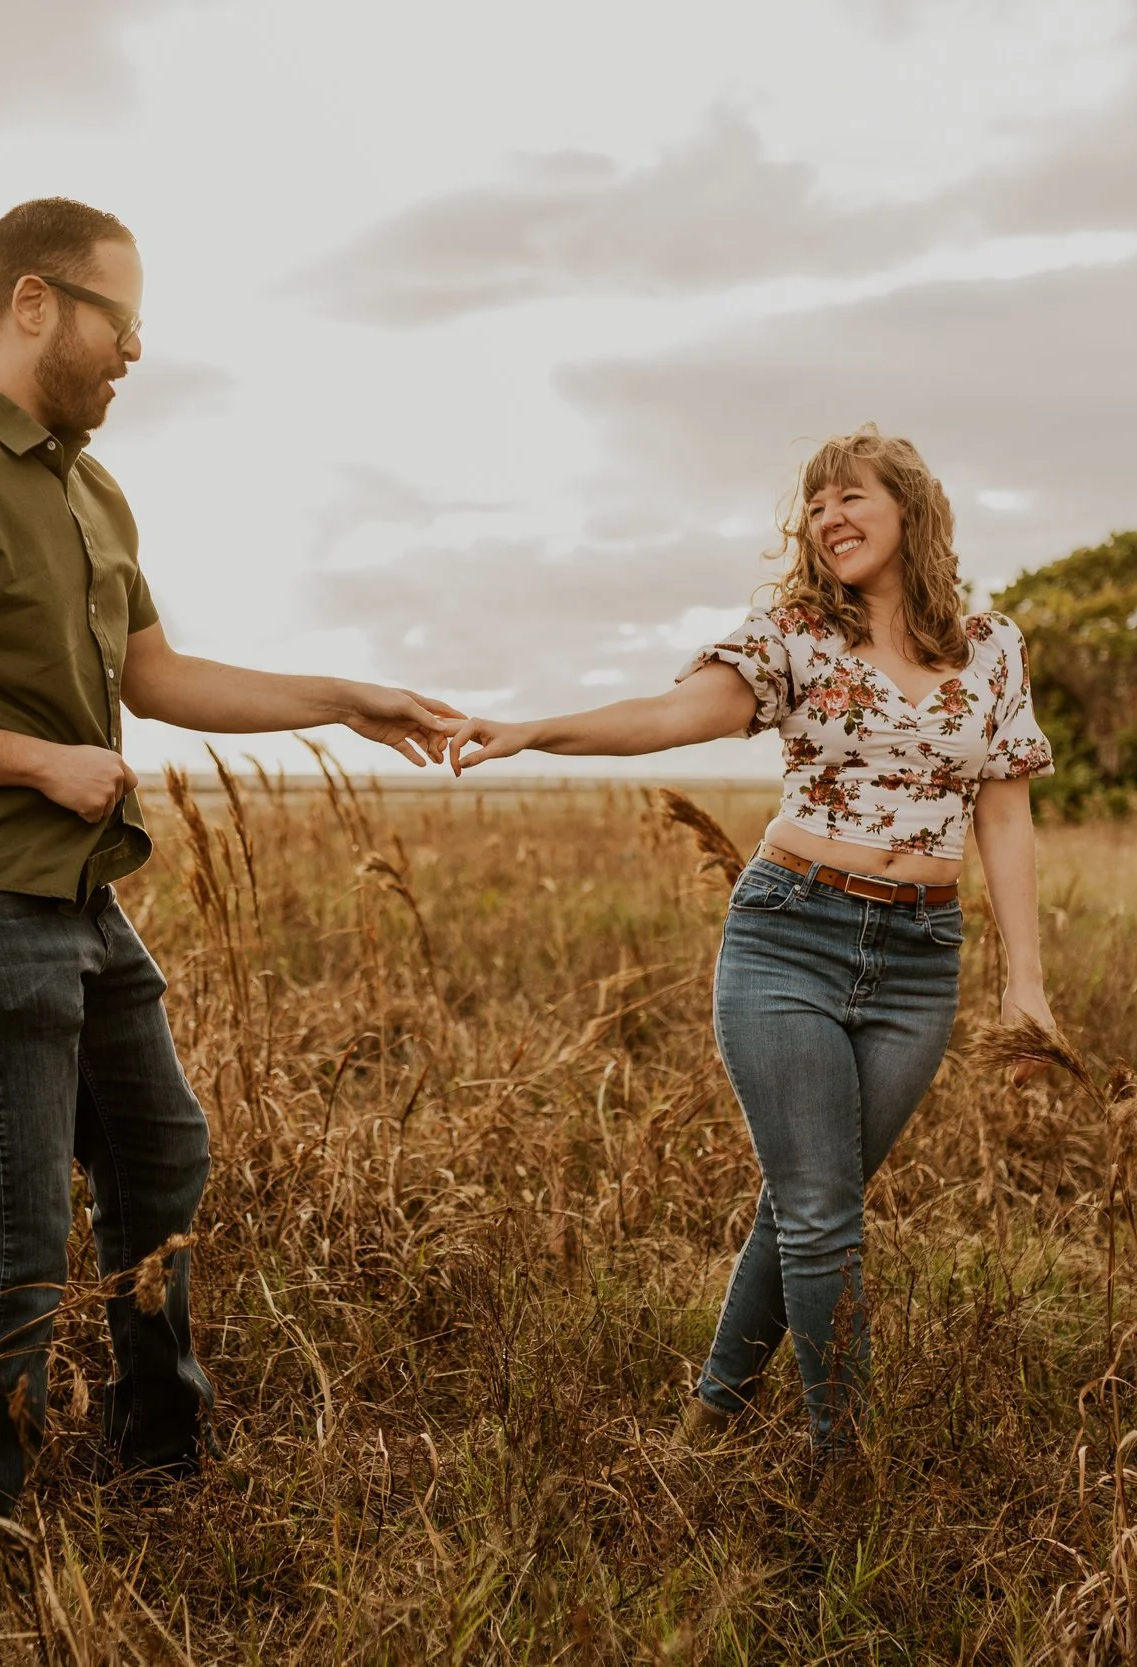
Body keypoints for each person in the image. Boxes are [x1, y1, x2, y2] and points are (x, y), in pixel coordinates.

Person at [0, 198, 460, 1575]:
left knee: (162, 1156)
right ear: (33, 302)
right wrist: (38, 760)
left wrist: (346, 695)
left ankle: (162, 1454)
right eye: (120, 316)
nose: (137, 347)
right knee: (18, 1237)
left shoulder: (89, 489)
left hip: (74, 898)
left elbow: (157, 678)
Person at [445, 426, 1056, 1461]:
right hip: (791, 936)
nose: (830, 517)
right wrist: (534, 728)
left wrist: (1026, 984)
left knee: (810, 1199)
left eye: (851, 495)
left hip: (918, 956)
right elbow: (676, 712)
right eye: (815, 505)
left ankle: (711, 1415)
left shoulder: (990, 649)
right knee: (822, 1211)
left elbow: (1003, 816)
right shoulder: (792, 636)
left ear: (910, 509)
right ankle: (842, 1461)